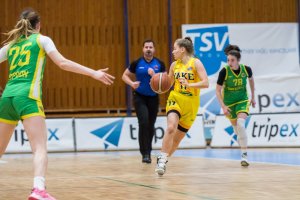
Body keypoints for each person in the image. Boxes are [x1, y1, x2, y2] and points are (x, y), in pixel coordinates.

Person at [0, 9, 115, 200]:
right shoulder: (42, 40)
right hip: (27, 97)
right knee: (39, 147)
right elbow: (62, 63)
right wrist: (93, 73)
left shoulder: (12, 44)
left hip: (7, 97)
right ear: (38, 25)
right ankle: (38, 189)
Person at [155, 37, 209, 176]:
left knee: (177, 140)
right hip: (176, 98)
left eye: (175, 48)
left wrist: (189, 85)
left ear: (183, 49)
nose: (173, 51)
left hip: (191, 103)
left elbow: (206, 83)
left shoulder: (196, 63)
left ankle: (164, 159)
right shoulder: (174, 65)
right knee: (171, 127)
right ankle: (161, 160)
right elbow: (167, 84)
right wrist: (158, 85)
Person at [122, 39, 166, 164]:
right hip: (139, 96)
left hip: (153, 97)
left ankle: (149, 151)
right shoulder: (137, 63)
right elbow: (124, 75)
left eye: (150, 47)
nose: (148, 49)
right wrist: (132, 83)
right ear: (143, 49)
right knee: (144, 122)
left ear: (154, 49)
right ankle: (145, 153)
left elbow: (166, 81)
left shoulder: (160, 64)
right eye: (146, 47)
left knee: (151, 125)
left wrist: (154, 76)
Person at [215, 44, 256, 167]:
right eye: (228, 60)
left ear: (238, 60)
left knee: (241, 124)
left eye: (232, 60)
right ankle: (242, 144)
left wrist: (253, 97)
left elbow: (252, 82)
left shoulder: (246, 69)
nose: (229, 62)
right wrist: (223, 106)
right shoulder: (224, 71)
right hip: (229, 104)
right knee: (237, 131)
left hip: (242, 101)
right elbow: (217, 90)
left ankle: (244, 155)